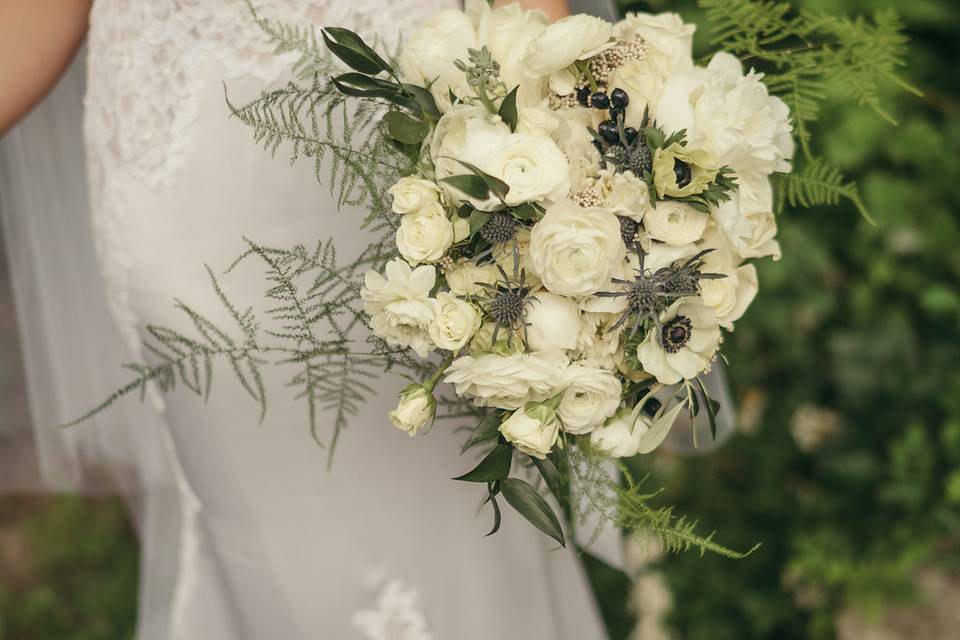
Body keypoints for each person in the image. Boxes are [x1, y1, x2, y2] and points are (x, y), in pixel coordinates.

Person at [0, 1, 620, 638]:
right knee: (277, 548)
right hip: (187, 164)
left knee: (462, 510)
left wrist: (580, 156)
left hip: (426, 130)